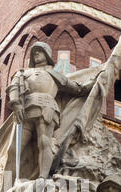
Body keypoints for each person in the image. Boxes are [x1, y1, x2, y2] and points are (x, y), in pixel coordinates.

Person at [6, 42, 96, 179]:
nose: (36, 54)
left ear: (47, 55)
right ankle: (8, 183)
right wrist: (15, 104)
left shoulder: (54, 74)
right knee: (14, 149)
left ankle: (42, 177)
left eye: (39, 51)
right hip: (25, 109)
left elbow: (77, 88)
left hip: (47, 108)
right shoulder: (23, 73)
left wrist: (94, 82)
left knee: (44, 142)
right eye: (34, 52)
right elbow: (13, 88)